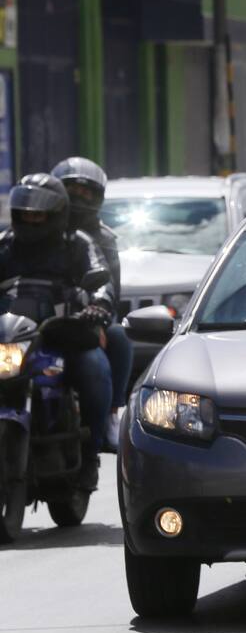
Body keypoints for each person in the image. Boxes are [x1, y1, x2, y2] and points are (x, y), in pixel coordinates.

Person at [0, 174, 114, 490]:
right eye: (25, 213)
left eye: (38, 214)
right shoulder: (5, 244)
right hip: (11, 338)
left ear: (56, 213)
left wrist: (99, 304)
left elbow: (101, 279)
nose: (30, 219)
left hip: (62, 335)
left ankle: (90, 454)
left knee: (94, 368)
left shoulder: (77, 243)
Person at [52, 156, 131, 451]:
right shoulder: (27, 235)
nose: (77, 198)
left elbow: (109, 286)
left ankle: (107, 418)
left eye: (86, 192)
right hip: (35, 319)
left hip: (82, 319)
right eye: (70, 189)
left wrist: (97, 313)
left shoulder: (98, 241)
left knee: (117, 339)